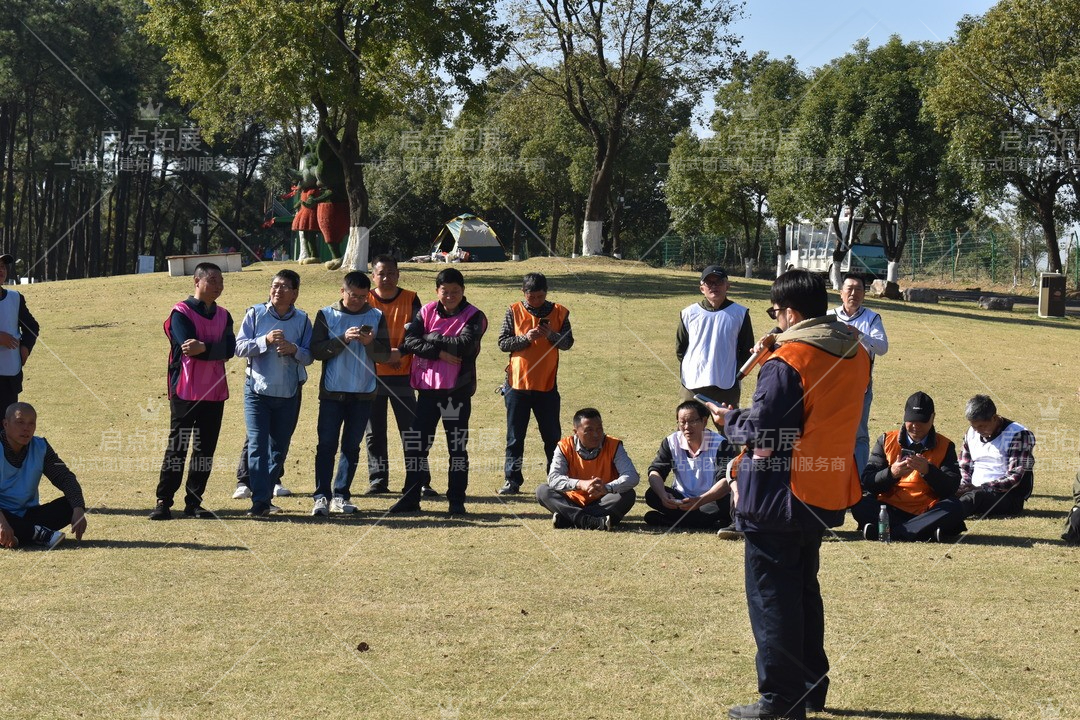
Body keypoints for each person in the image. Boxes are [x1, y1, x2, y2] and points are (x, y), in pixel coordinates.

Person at [710, 269, 870, 720]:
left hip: (780, 492)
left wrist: (728, 421)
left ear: (791, 312)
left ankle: (780, 700)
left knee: (772, 596)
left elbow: (766, 431)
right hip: (825, 485)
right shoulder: (855, 352)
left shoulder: (790, 358)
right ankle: (809, 687)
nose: (774, 320)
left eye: (775, 312)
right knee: (802, 590)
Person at [389, 268, 487, 515]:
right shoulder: (426, 311)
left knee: (457, 448)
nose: (450, 296)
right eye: (445, 291)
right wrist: (439, 351)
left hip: (457, 392)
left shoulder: (475, 316)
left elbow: (464, 345)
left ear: (463, 291)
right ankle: (411, 498)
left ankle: (456, 501)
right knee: (417, 446)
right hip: (427, 392)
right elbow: (409, 342)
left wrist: (431, 337)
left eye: (455, 291)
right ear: (437, 291)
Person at [151, 262, 235, 520]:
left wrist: (205, 348)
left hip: (214, 391)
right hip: (185, 391)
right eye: (212, 280)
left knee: (205, 449)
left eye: (220, 281)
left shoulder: (224, 315)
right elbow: (188, 347)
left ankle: (194, 502)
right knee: (178, 446)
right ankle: (164, 501)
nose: (218, 286)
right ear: (196, 282)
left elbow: (229, 349)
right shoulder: (181, 312)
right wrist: (211, 349)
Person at [310, 272, 390, 515]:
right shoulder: (326, 314)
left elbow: (384, 355)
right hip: (333, 394)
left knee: (351, 447)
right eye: (353, 295)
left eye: (363, 297)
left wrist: (369, 344)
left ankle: (341, 495)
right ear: (342, 291)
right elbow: (316, 351)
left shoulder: (376, 315)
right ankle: (321, 496)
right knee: (326, 445)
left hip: (363, 394)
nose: (357, 300)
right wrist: (342, 339)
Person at [234, 269, 313, 517]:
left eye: (284, 287)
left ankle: (264, 496)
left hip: (289, 392)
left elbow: (311, 355)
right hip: (256, 390)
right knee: (257, 445)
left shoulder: (302, 320)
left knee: (278, 449)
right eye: (275, 285)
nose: (278, 290)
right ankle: (260, 501)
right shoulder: (255, 313)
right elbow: (238, 347)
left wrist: (294, 349)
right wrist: (264, 341)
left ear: (295, 293)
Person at [497, 272, 575, 495]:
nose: (537, 301)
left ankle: (557, 478)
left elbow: (568, 343)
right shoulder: (513, 310)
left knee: (552, 437)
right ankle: (512, 480)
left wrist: (551, 334)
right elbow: (502, 343)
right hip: (516, 386)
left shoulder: (560, 312)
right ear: (524, 293)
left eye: (541, 296)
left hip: (547, 386)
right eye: (532, 297)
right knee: (514, 437)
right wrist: (526, 338)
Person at [854, 391, 966, 542]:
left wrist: (928, 471)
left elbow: (951, 488)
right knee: (858, 502)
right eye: (911, 421)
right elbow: (868, 482)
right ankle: (922, 532)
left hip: (927, 510)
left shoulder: (945, 445)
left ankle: (890, 532)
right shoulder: (886, 440)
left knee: (955, 507)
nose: (915, 426)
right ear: (904, 416)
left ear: (932, 418)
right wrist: (891, 473)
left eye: (922, 421)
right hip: (889, 507)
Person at [359, 255, 426, 496]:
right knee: (374, 432)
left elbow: (420, 330)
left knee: (411, 431)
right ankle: (378, 479)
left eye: (391, 273)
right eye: (381, 273)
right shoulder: (363, 298)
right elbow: (359, 332)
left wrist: (402, 352)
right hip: (372, 374)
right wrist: (385, 355)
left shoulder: (411, 297)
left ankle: (420, 479)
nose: (386, 278)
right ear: (373, 276)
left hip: (403, 374)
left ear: (398, 274)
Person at [0, 403, 86, 549]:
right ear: (6, 424)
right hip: (2, 513)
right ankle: (35, 533)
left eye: (31, 423)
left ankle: (21, 534)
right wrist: (2, 522)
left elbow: (65, 477)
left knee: (69, 505)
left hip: (28, 513)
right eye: (20, 422)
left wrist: (79, 508)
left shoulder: (40, 446)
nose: (26, 428)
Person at [537, 408, 639, 530]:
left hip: (603, 500)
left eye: (599, 429)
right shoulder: (564, 446)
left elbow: (632, 476)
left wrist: (606, 488)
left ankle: (569, 519)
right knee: (543, 491)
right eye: (589, 430)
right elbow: (553, 478)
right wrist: (580, 484)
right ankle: (591, 521)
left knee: (628, 494)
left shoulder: (613, 445)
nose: (596, 435)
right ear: (576, 432)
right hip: (572, 500)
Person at [644, 400, 735, 529]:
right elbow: (656, 471)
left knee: (726, 500)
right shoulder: (671, 441)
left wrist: (700, 501)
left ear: (704, 421)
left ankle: (672, 521)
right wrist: (663, 496)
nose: (687, 427)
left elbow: (725, 481)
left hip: (709, 500)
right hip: (681, 500)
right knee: (652, 494)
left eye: (692, 421)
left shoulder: (721, 444)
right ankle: (706, 523)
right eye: (682, 422)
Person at [676, 265, 753, 409]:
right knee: (689, 428)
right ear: (702, 288)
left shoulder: (740, 314)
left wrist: (733, 372)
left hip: (726, 386)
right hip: (692, 384)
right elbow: (681, 349)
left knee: (727, 430)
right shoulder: (688, 314)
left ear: (727, 286)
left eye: (718, 282)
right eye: (709, 283)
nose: (714, 286)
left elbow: (747, 349)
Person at [834, 273, 888, 474]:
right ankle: (834, 476)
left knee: (859, 434)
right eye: (849, 289)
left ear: (864, 294)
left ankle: (859, 480)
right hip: (832, 386)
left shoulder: (872, 318)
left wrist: (861, 336)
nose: (853, 293)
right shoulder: (830, 316)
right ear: (841, 293)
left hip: (860, 386)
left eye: (858, 289)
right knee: (832, 430)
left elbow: (882, 348)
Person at [956, 394, 1036, 519]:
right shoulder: (971, 433)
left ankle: (945, 519)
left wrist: (982, 488)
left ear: (994, 418)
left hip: (1007, 496)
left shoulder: (1018, 435)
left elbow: (1015, 477)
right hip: (973, 490)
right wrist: (963, 486)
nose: (977, 431)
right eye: (973, 426)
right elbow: (964, 465)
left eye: (982, 426)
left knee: (976, 497)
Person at [0, 254, 40, 415]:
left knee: (6, 427)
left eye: (3, 266)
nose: (1, 270)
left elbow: (31, 326)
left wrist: (26, 347)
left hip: (10, 376)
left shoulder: (15, 298)